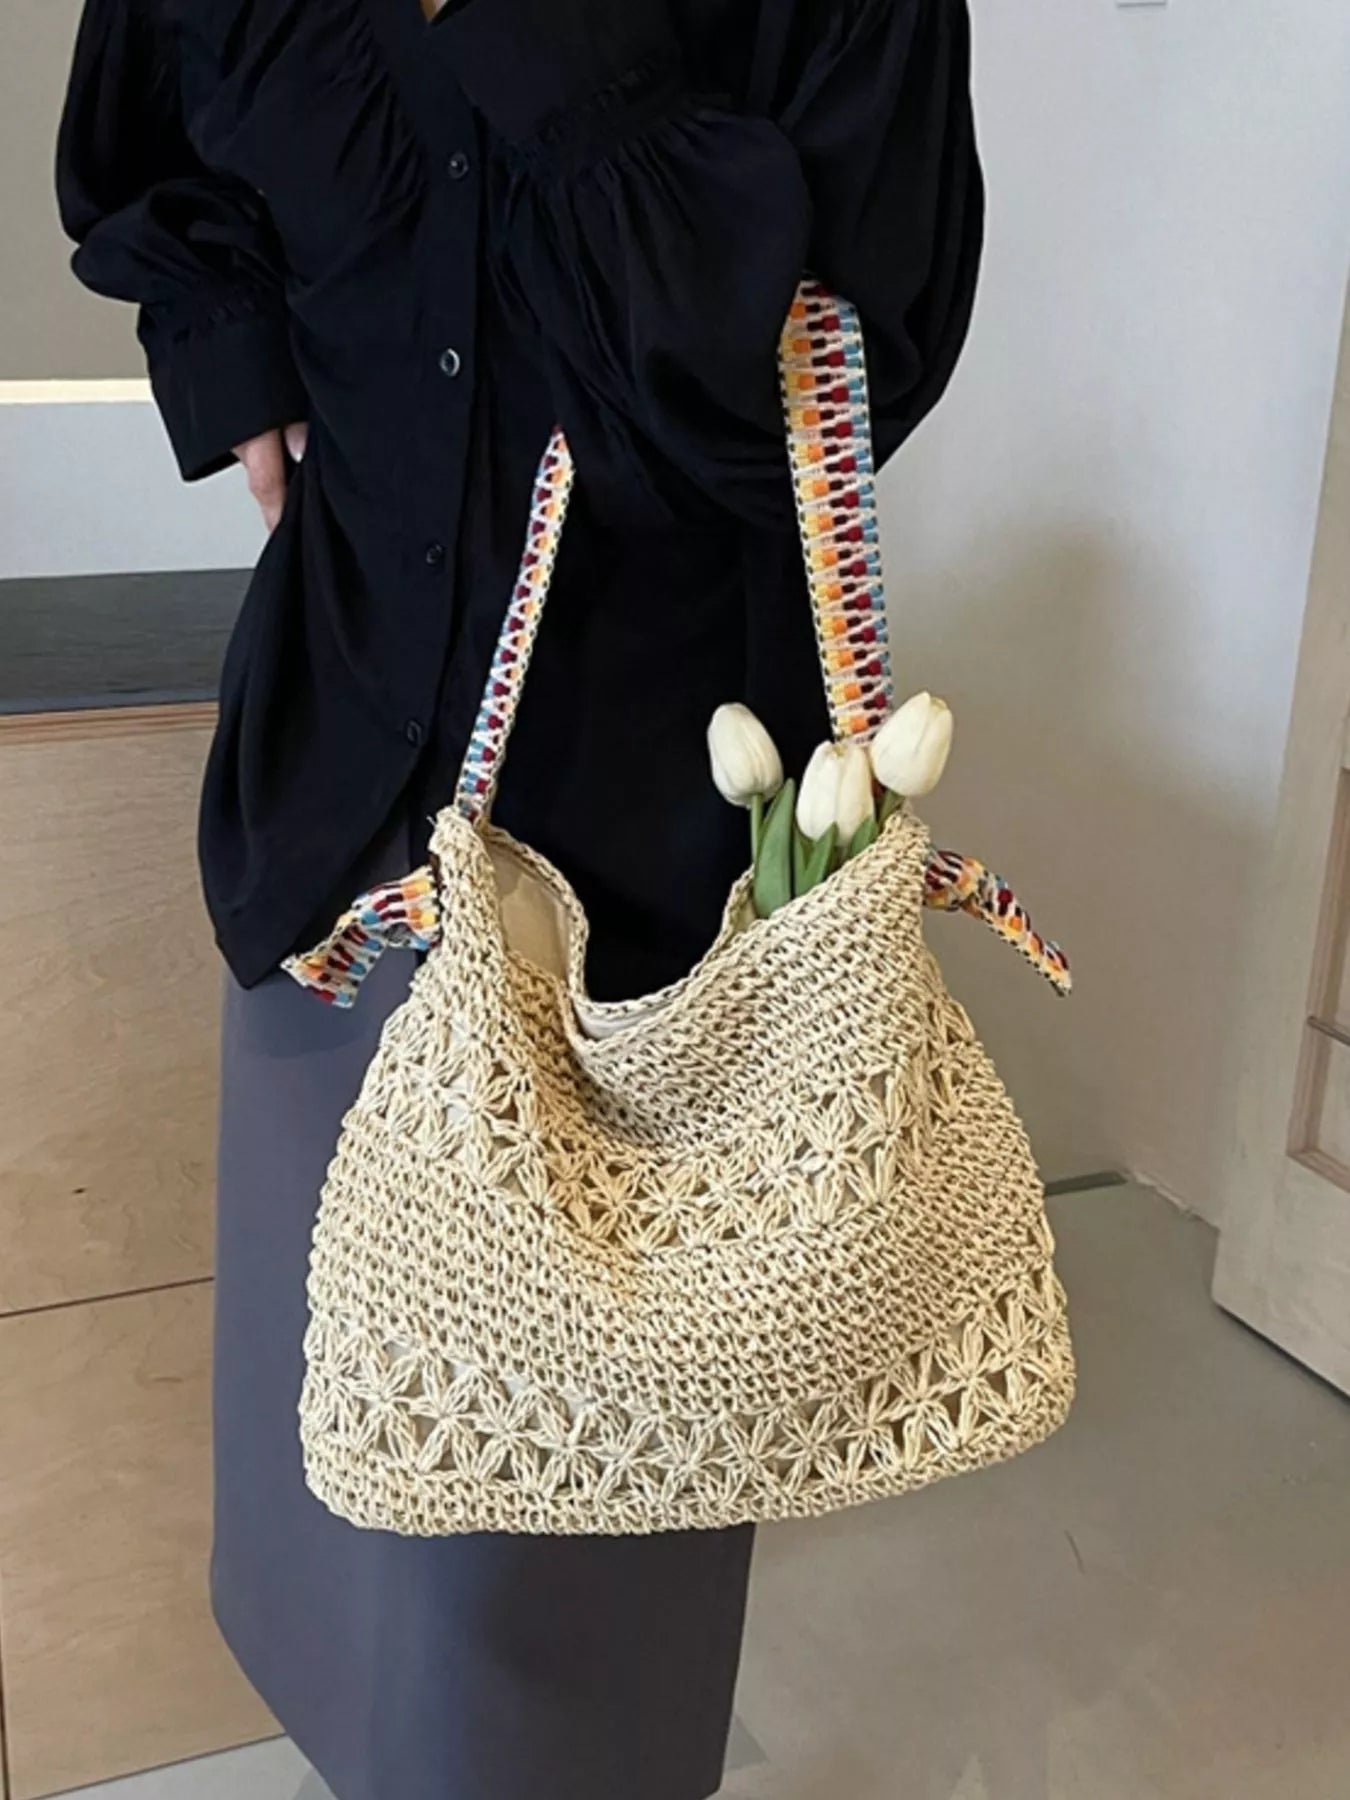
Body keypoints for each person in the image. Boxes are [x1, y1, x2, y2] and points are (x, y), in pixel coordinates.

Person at [56, 2, 983, 1796]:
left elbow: (851, 349)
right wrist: (239, 362)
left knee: (565, 1576)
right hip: (336, 799)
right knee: (343, 1475)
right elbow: (152, 144)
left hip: (638, 855)